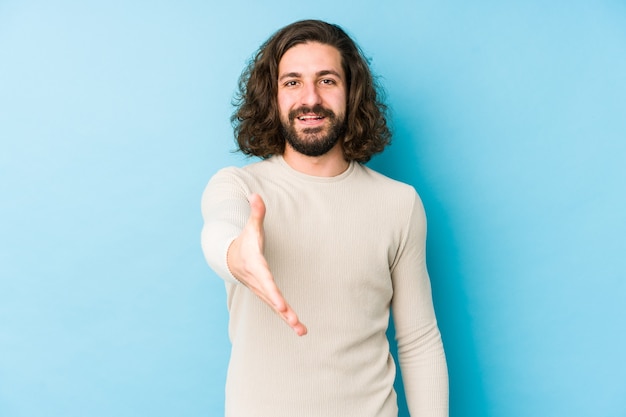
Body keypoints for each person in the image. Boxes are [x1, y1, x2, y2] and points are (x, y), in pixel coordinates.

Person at [201, 19, 448, 417]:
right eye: (292, 82)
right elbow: (219, 231)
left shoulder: (399, 203)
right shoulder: (239, 188)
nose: (310, 99)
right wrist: (237, 256)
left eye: (327, 81)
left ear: (351, 94)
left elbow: (418, 340)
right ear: (273, 97)